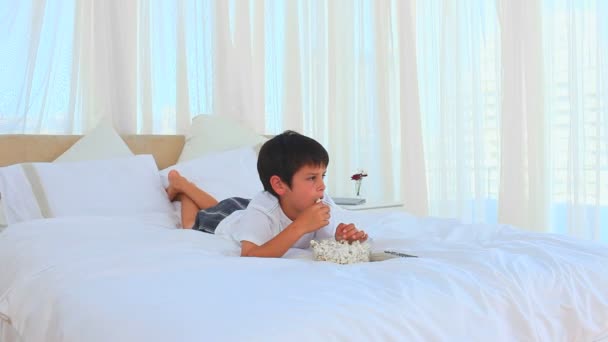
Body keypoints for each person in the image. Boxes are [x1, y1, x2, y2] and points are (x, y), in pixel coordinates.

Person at [167, 130, 368, 258]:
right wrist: (300, 226)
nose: (322, 186)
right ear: (279, 185)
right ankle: (183, 188)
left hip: (243, 209)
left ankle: (184, 186)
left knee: (217, 206)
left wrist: (340, 238)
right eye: (311, 178)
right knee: (193, 223)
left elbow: (322, 242)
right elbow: (250, 254)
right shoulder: (262, 209)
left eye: (322, 176)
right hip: (232, 221)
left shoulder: (319, 201)